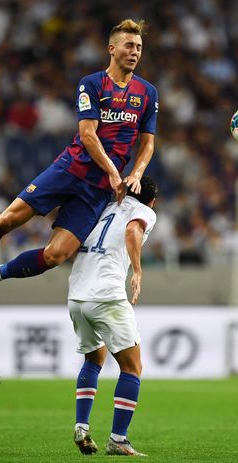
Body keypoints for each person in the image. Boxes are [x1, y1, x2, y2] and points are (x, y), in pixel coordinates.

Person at [0, 19, 158, 299]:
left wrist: (136, 173)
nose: (135, 52)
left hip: (98, 190)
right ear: (111, 49)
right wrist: (114, 172)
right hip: (71, 169)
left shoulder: (147, 92)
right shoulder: (92, 84)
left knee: (56, 255)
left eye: (139, 47)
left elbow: (148, 142)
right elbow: (88, 135)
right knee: (9, 219)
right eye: (129, 45)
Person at [69, 176, 157, 457]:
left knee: (94, 359)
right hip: (106, 295)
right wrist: (138, 271)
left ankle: (81, 425)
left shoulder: (104, 208)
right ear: (152, 201)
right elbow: (132, 229)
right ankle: (118, 439)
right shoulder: (143, 211)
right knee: (132, 368)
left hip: (77, 294)